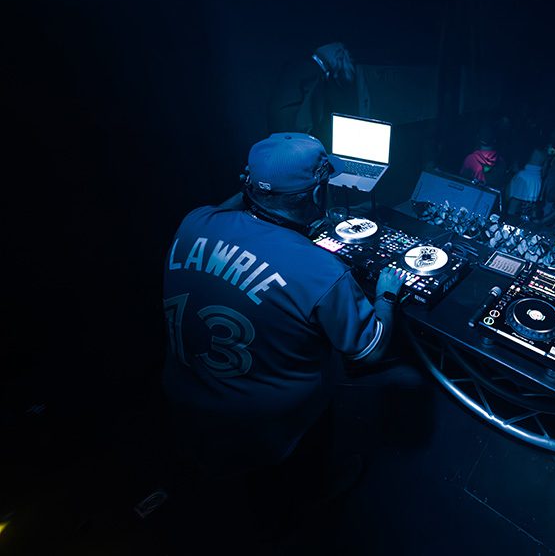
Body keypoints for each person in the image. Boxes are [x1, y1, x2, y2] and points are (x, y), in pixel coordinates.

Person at [160, 132, 404, 539]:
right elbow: (371, 351)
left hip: (185, 393)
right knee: (330, 366)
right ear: (315, 196)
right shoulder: (321, 271)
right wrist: (388, 294)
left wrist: (258, 191)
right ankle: (313, 488)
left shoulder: (193, 221)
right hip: (268, 426)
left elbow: (236, 210)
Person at [266, 42, 370, 150]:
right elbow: (307, 120)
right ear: (339, 54)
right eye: (348, 60)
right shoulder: (315, 75)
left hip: (278, 140)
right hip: (294, 145)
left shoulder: (300, 66)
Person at [459, 124, 509, 191]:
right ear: (494, 140)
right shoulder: (501, 162)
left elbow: (461, 181)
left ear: (479, 138)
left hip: (470, 196)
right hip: (490, 199)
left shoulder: (470, 159)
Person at [506, 147, 545, 223]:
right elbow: (544, 171)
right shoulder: (544, 153)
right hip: (534, 179)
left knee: (514, 204)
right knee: (528, 206)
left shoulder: (528, 149)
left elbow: (516, 165)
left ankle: (508, 225)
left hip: (524, 176)